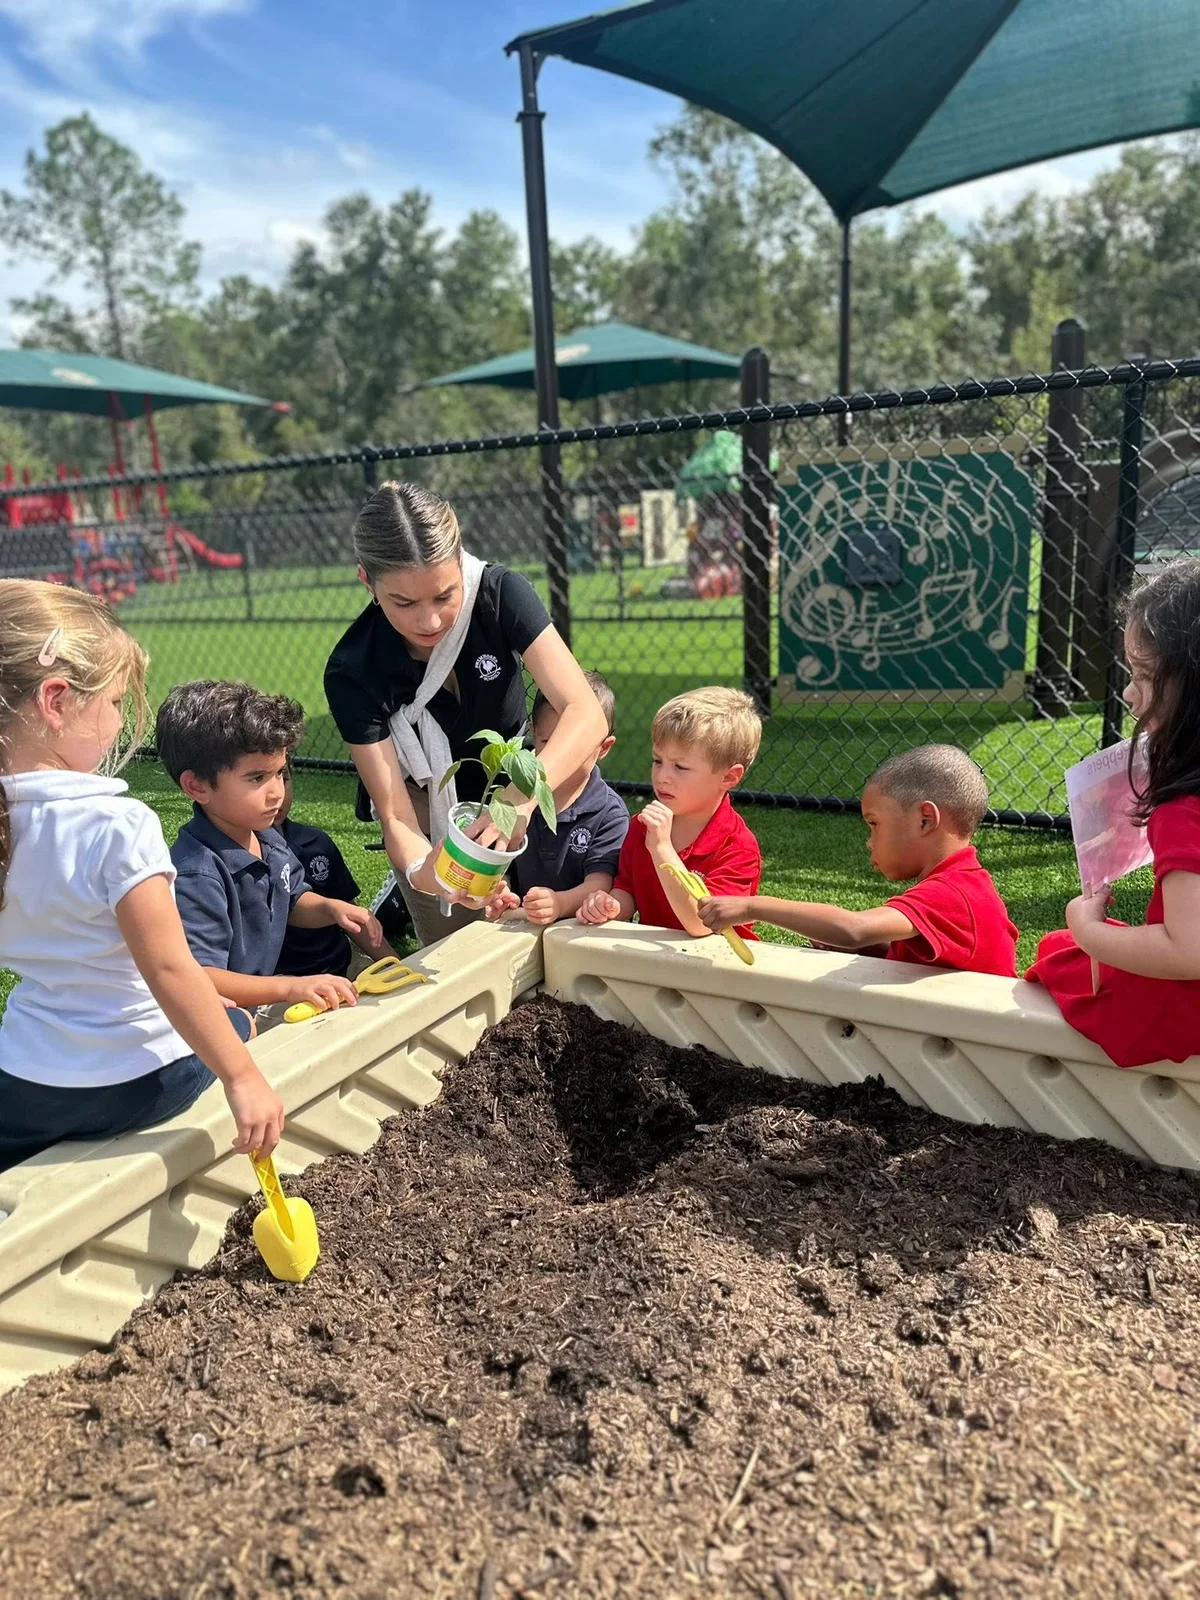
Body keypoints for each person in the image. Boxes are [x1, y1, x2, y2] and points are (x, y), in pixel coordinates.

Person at [0, 581, 284, 1170]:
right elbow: (169, 968)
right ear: (56, 702)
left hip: (26, 1087)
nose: (115, 720)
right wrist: (242, 1075)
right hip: (141, 1078)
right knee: (233, 1021)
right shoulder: (116, 822)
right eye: (111, 702)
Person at [323, 481, 609, 948]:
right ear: (366, 582)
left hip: (521, 781)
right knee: (459, 948)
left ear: (462, 565)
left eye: (443, 596)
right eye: (404, 603)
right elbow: (396, 812)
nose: (430, 622)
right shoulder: (353, 670)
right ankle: (406, 900)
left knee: (548, 931)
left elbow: (586, 713)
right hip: (429, 803)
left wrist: (518, 800)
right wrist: (426, 872)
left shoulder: (500, 594)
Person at [1028, 558, 1200, 1067]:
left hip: (1183, 1010)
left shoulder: (1183, 807)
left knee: (1061, 951)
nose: (1128, 693)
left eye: (1143, 674)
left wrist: (1088, 930)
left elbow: (1187, 951)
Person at [157, 681, 381, 1014]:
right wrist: (288, 987)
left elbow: (290, 900)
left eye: (280, 773)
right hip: (221, 1023)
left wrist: (330, 908)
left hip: (257, 1001)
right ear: (197, 785)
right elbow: (200, 977)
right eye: (257, 778)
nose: (276, 792)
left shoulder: (264, 835)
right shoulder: (197, 874)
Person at [700, 744, 1019, 977]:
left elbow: (855, 928)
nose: (869, 841)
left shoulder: (952, 894)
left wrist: (751, 906)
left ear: (925, 820)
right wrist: (868, 951)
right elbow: (918, 960)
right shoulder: (963, 882)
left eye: (874, 824)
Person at [577, 686, 762, 941]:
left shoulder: (738, 848)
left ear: (729, 777)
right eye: (657, 761)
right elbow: (627, 890)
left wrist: (662, 847)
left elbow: (701, 924)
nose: (662, 777)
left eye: (680, 767)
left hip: (721, 967)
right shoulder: (643, 826)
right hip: (661, 961)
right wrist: (610, 906)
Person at [484, 670, 629, 925]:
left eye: (577, 747)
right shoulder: (518, 800)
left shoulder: (608, 813)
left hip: (583, 931)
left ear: (604, 747)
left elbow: (600, 883)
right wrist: (502, 892)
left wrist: (560, 903)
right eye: (547, 741)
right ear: (533, 732)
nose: (561, 755)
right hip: (524, 925)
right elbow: (504, 866)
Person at [275, 761, 395, 978]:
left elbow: (348, 910)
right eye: (257, 780)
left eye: (282, 778)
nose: (276, 793)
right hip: (278, 982)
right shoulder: (221, 861)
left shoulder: (316, 843)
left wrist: (394, 964)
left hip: (341, 966)